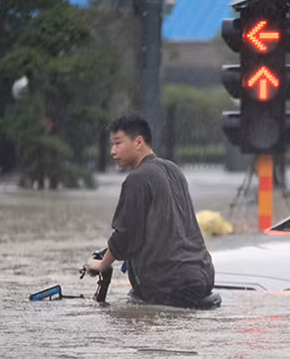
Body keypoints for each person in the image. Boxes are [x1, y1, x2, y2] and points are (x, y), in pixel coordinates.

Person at [85, 114, 216, 308]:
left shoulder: (137, 179)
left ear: (139, 142)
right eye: (111, 145)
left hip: (167, 285)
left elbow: (125, 235)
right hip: (203, 277)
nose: (112, 151)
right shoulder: (174, 170)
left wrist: (101, 264)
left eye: (118, 143)